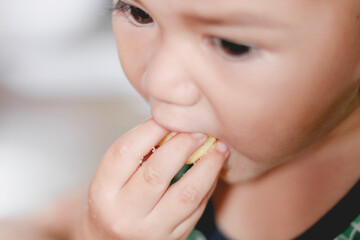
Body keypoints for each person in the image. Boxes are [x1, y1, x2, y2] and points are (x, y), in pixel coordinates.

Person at [2, 0, 360, 239]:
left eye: (232, 44)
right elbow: (37, 225)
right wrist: (93, 230)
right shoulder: (166, 172)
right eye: (139, 14)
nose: (158, 81)